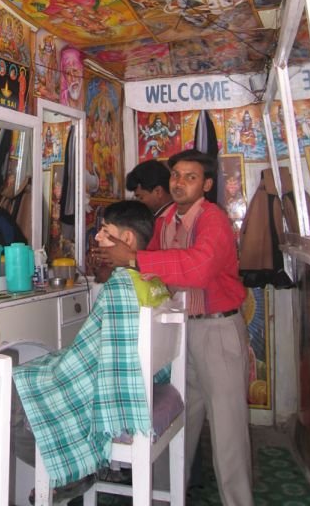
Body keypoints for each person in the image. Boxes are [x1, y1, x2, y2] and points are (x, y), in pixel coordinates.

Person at [93, 149, 252, 506]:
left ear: (207, 184)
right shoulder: (165, 221)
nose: (179, 183)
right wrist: (114, 259)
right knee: (176, 431)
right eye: (176, 176)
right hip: (178, 333)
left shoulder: (214, 221)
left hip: (216, 332)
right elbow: (148, 266)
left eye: (190, 177)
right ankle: (165, 500)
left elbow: (199, 268)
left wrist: (133, 257)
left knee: (228, 436)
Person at [14, 201, 169, 492]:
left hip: (121, 385)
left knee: (19, 386)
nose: (96, 237)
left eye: (105, 232)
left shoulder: (121, 287)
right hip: (150, 379)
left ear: (127, 240)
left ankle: (70, 472)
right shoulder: (152, 279)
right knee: (37, 371)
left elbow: (98, 365)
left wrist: (43, 371)